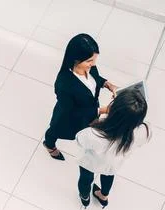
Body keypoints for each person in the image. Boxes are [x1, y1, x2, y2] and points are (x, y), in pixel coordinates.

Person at [43, 33, 118, 161]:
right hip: (69, 116)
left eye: (94, 60)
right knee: (55, 131)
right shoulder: (64, 84)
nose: (93, 64)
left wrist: (108, 85)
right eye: (89, 61)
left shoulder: (90, 67)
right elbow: (71, 111)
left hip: (89, 111)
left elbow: (95, 80)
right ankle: (49, 145)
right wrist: (102, 110)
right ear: (76, 59)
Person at [76, 88, 151, 208]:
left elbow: (79, 139)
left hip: (91, 162)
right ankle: (103, 196)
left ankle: (85, 197)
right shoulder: (144, 131)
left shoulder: (95, 134)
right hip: (113, 163)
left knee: (85, 178)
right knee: (108, 176)